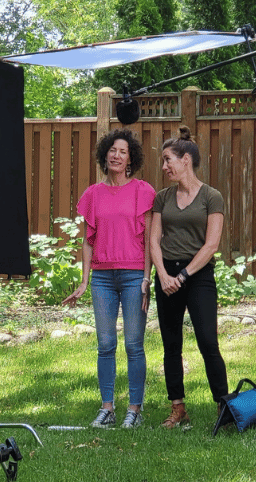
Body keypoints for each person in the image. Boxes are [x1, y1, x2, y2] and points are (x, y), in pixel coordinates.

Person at [62, 128, 156, 429]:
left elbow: (150, 240)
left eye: (123, 152)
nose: (116, 155)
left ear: (131, 159)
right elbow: (88, 240)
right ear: (105, 155)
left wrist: (146, 279)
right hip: (102, 278)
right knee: (105, 344)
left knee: (133, 344)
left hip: (132, 277)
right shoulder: (92, 195)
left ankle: (135, 410)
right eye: (112, 150)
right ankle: (107, 408)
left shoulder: (144, 191)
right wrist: (84, 280)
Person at [151, 125, 229, 429]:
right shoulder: (162, 198)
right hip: (166, 275)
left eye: (168, 159)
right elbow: (153, 240)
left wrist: (182, 275)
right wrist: (163, 274)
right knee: (171, 344)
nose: (164, 166)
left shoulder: (212, 196)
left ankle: (223, 406)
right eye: (163, 161)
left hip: (197, 276)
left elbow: (211, 244)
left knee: (208, 341)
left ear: (186, 160)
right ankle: (178, 408)